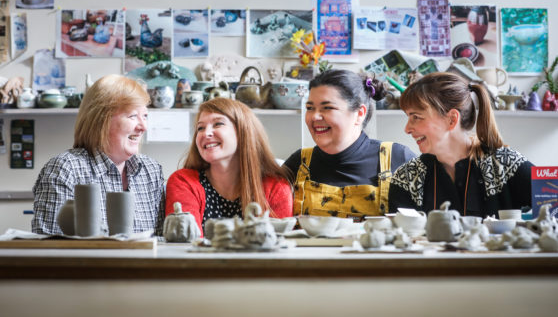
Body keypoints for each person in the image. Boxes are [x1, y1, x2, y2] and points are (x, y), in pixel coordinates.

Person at [32, 75, 166, 235]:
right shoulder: (65, 169)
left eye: (145, 116)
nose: (143, 126)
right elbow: (47, 249)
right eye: (133, 116)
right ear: (101, 120)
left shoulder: (151, 170)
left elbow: (161, 242)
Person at [388, 72, 534, 217]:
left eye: (416, 117)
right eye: (408, 117)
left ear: (452, 119)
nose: (407, 129)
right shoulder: (406, 178)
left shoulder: (507, 165)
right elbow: (399, 237)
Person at [283, 69, 416, 218]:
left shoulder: (398, 159)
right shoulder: (298, 163)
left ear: (360, 113)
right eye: (310, 108)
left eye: (327, 107)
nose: (314, 116)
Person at [165, 97, 293, 236]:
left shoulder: (276, 187)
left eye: (218, 124)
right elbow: (186, 245)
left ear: (243, 132)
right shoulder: (183, 181)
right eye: (200, 128)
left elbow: (278, 249)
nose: (206, 133)